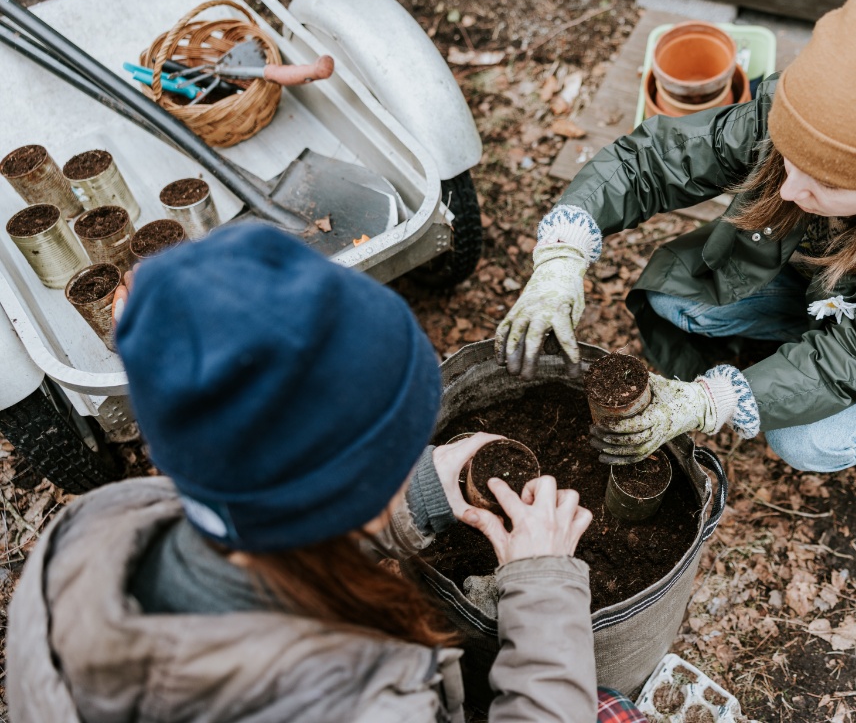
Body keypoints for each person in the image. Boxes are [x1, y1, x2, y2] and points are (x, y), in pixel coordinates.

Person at [6, 224, 617, 722]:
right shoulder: (365, 705)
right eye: (397, 455)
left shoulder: (95, 532)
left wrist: (421, 493)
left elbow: (275, 514)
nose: (409, 462)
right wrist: (542, 591)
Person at [497, 0, 856, 487]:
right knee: (678, 301)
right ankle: (792, 366)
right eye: (788, 158)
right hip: (831, 292)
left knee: (804, 439)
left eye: (827, 183)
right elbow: (659, 160)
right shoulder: (802, 108)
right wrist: (563, 254)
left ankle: (798, 384)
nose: (787, 190)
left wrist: (714, 401)